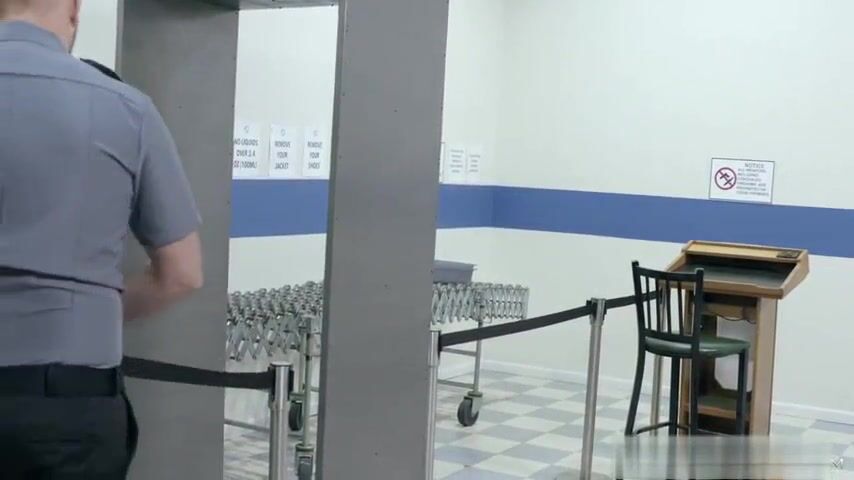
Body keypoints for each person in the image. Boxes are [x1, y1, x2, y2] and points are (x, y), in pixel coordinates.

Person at [0, 1, 204, 478]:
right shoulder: (126, 107)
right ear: (74, 10)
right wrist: (89, 309)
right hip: (69, 409)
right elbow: (182, 274)